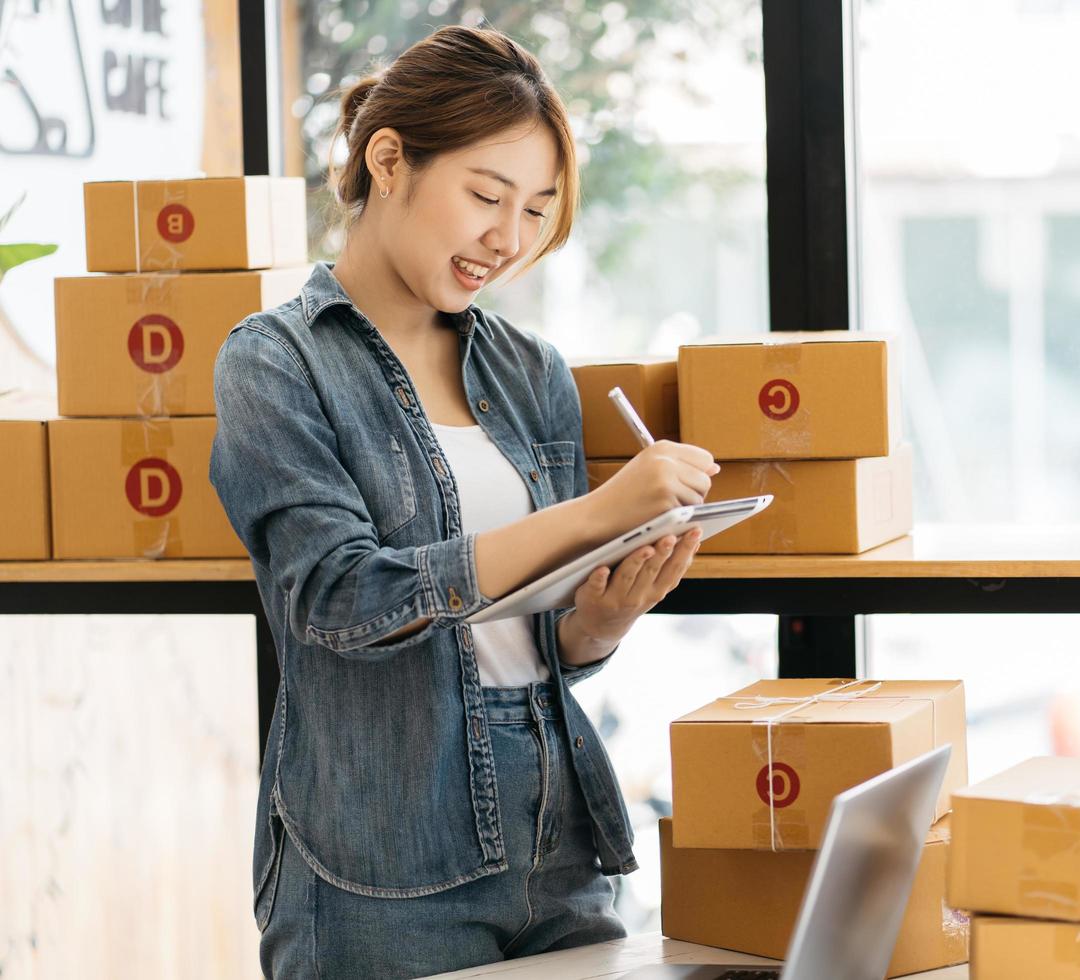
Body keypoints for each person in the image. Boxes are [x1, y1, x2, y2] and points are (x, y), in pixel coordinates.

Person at [209, 24, 718, 979]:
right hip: (380, 871)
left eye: (537, 211)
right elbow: (339, 600)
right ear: (389, 159)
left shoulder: (532, 373)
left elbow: (534, 640)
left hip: (561, 853)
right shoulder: (275, 362)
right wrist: (595, 512)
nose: (508, 238)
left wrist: (598, 625)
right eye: (486, 196)